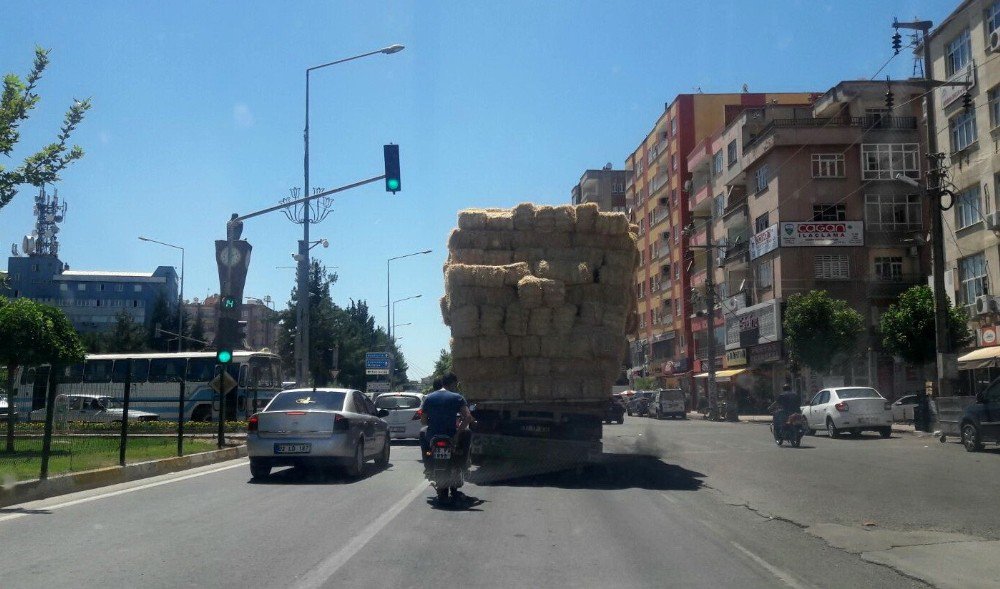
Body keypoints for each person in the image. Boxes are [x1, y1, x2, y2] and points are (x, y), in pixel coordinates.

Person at [420, 373, 475, 501]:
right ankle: (462, 464)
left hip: (433, 436)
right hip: (451, 436)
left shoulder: (429, 398)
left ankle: (428, 464)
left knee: (422, 432)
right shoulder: (458, 398)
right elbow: (467, 418)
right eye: (455, 385)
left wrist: (434, 424)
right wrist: (457, 434)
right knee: (467, 433)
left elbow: (423, 421)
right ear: (452, 384)